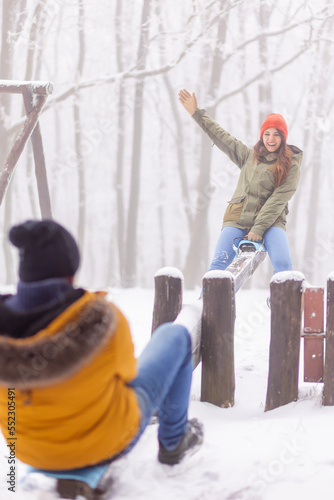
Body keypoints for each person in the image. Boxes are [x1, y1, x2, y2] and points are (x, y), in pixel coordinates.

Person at [0, 219, 203, 471]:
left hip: (30, 452)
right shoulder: (100, 320)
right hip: (105, 443)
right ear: (71, 271)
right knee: (175, 337)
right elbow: (128, 375)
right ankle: (174, 443)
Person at [178, 89, 303, 276]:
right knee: (218, 266)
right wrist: (197, 114)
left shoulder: (290, 166)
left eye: (276, 134)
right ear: (262, 135)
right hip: (238, 217)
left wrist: (258, 229)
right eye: (267, 133)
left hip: (271, 221)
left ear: (283, 138)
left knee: (283, 265)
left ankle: (282, 303)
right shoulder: (248, 156)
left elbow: (278, 200)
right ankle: (208, 303)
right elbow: (222, 137)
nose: (270, 139)